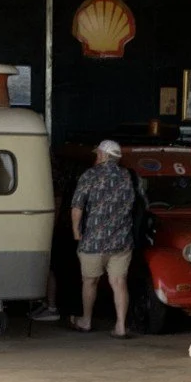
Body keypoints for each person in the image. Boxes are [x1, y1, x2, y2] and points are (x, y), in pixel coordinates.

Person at [70, 138, 136, 338]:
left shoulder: (90, 175)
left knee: (90, 281)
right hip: (121, 241)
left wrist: (76, 231)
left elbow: (77, 206)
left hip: (94, 241)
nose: (96, 156)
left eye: (98, 153)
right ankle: (121, 326)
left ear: (103, 155)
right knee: (119, 282)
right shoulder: (127, 176)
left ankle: (86, 321)